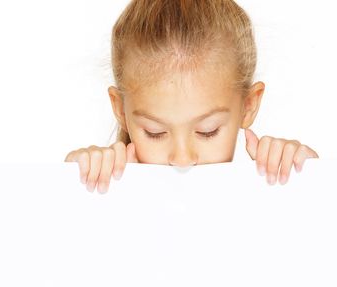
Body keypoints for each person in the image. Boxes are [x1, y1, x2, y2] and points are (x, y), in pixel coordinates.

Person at [64, 0, 319, 194]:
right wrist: (75, 182)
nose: (182, 159)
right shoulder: (103, 191)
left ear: (248, 105)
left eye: (208, 131)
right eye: (155, 132)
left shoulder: (265, 195)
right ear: (120, 110)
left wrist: (308, 177)